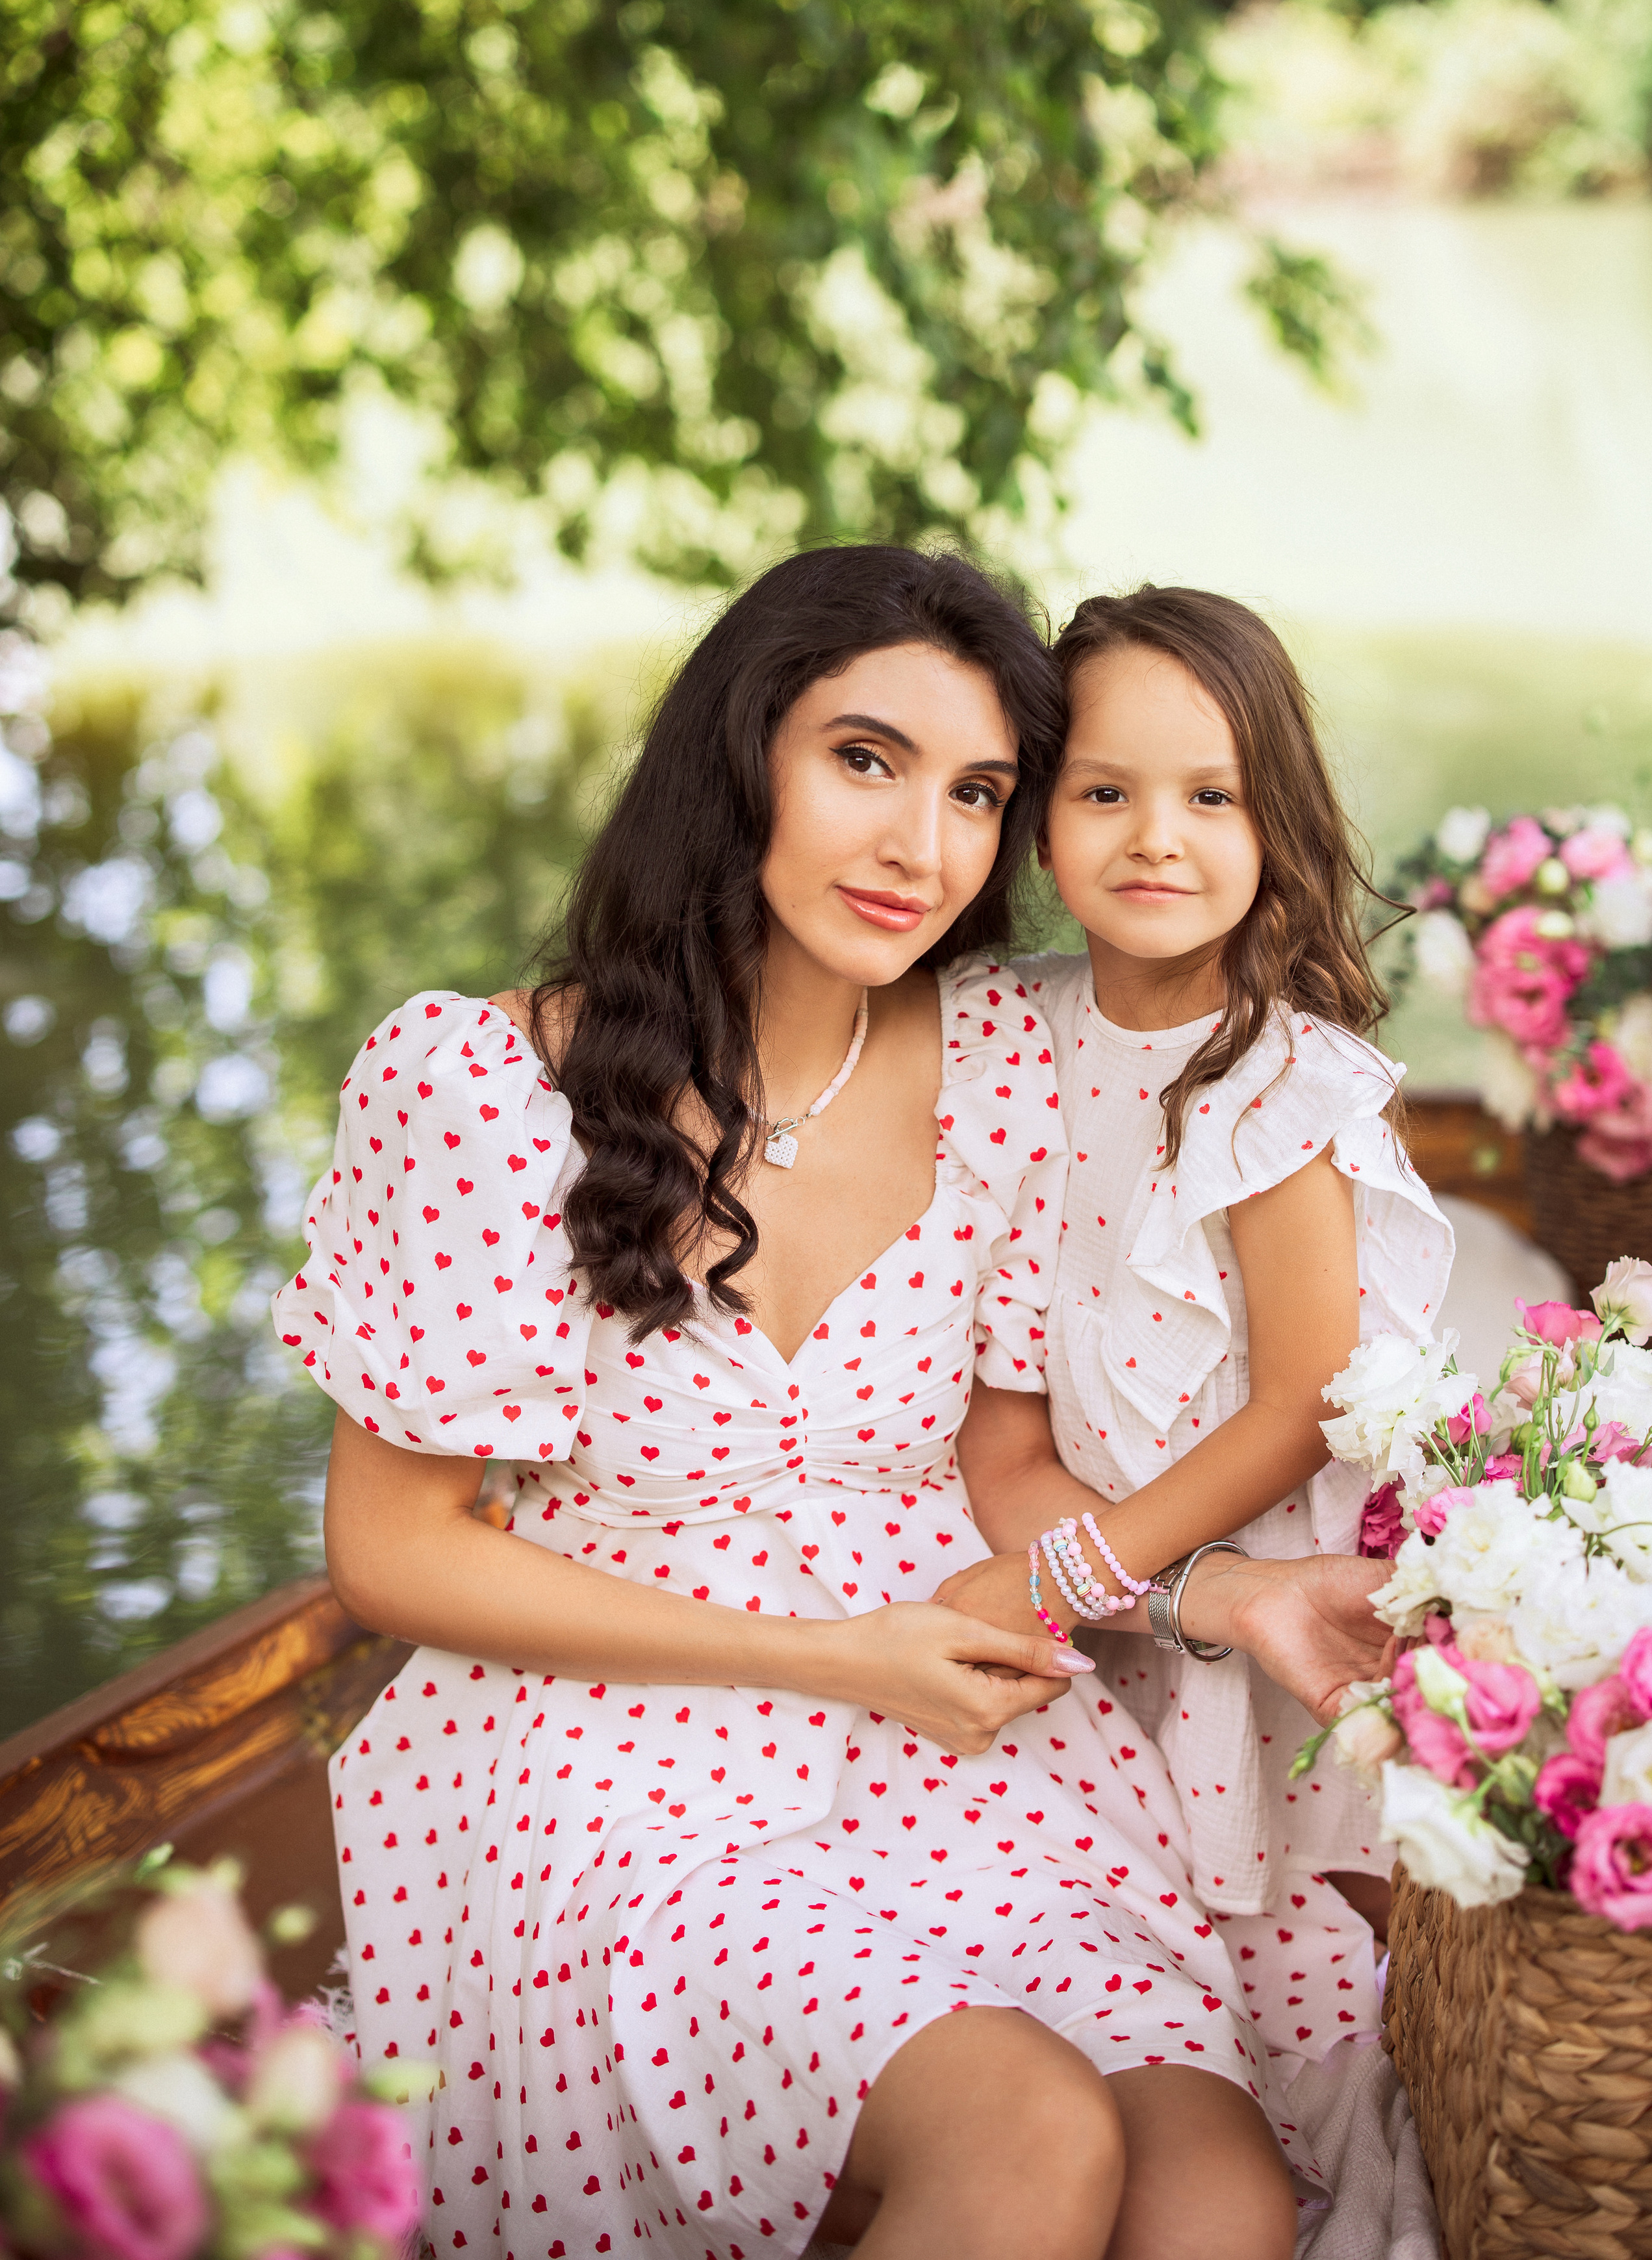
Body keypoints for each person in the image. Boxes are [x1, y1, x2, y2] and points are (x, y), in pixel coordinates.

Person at [275, 549, 1393, 2260]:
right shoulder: (485, 1085)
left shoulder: (999, 1064)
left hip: (964, 1732)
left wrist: (1220, 1591)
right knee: (1026, 2137)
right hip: (626, 1746)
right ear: (742, 754)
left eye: (977, 793)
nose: (919, 846)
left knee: (1215, 2197)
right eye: (865, 759)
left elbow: (1006, 1466)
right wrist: (829, 1653)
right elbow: (393, 1553)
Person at [940, 586, 1450, 2043]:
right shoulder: (1002, 1027)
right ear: (1041, 824)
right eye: (1105, 792)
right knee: (1104, 1961)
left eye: (1209, 797)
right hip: (1085, 1585)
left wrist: (1081, 1565)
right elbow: (1001, 1413)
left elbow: (1301, 1402)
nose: (1154, 836)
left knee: (1282, 1973)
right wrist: (1063, 1575)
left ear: (1273, 823)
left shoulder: (1272, 1082)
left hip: (1249, 1591)